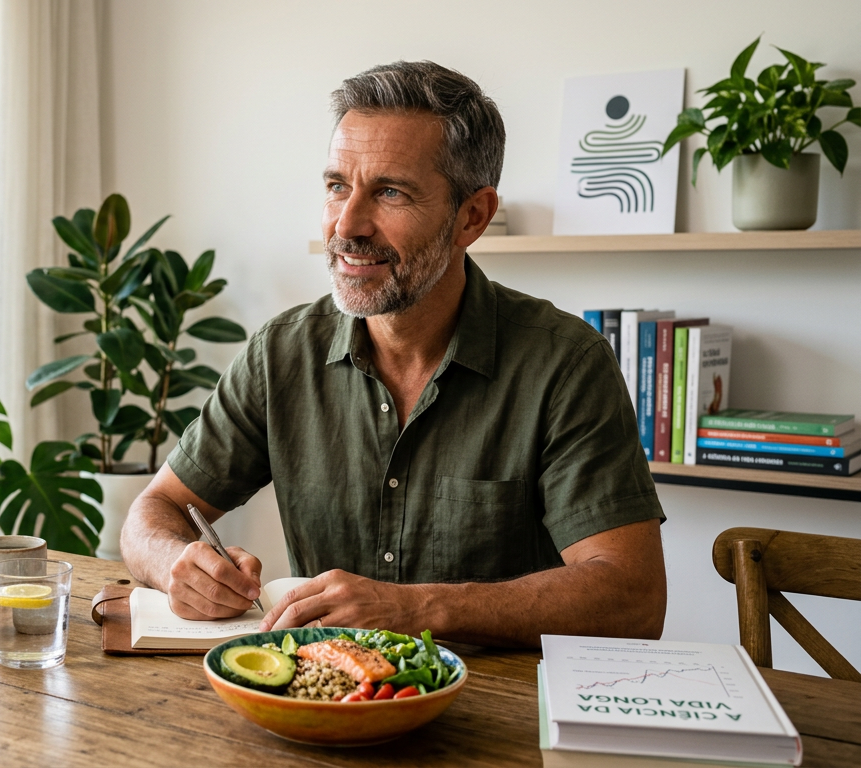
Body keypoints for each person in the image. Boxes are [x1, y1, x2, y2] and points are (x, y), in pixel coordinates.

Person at [119, 61, 667, 648]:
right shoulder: (281, 353)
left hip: (497, 714)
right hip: (318, 701)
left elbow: (632, 599)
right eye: (337, 186)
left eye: (390, 192)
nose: (347, 224)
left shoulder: (565, 363)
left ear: (472, 216)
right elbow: (153, 512)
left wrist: (417, 608)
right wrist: (177, 563)